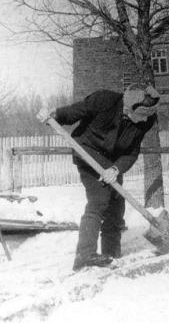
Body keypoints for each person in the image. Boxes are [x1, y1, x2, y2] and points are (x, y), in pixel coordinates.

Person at [38, 84, 160, 271]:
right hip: (88, 152)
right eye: (142, 115)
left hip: (112, 162)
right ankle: (84, 257)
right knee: (99, 200)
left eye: (147, 116)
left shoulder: (146, 120)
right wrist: (54, 114)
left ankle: (111, 255)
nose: (144, 120)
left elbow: (132, 152)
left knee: (116, 205)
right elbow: (74, 112)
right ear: (129, 106)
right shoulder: (105, 100)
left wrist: (116, 169)